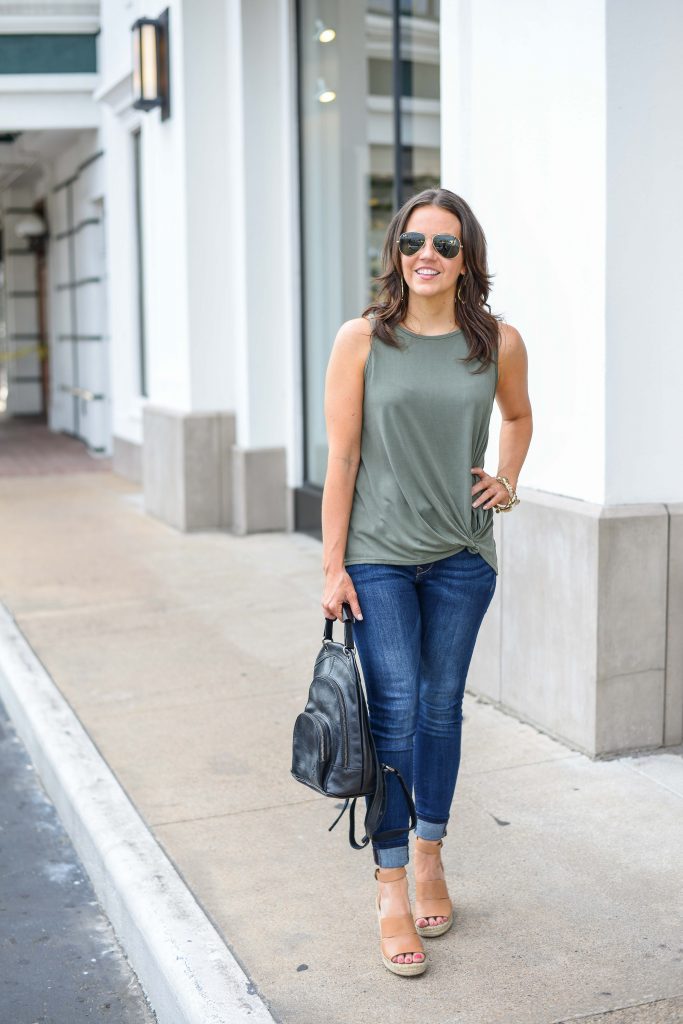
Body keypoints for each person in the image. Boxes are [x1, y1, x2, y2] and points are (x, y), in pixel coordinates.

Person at [320, 187, 533, 977]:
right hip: (377, 554)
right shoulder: (364, 339)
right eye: (414, 243)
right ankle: (388, 885)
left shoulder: (497, 342)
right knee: (398, 711)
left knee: (441, 708)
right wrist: (331, 565)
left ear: (466, 257)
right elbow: (341, 458)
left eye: (445, 245)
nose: (427, 258)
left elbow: (517, 418)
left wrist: (505, 482)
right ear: (395, 252)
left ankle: (430, 851)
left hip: (460, 558)